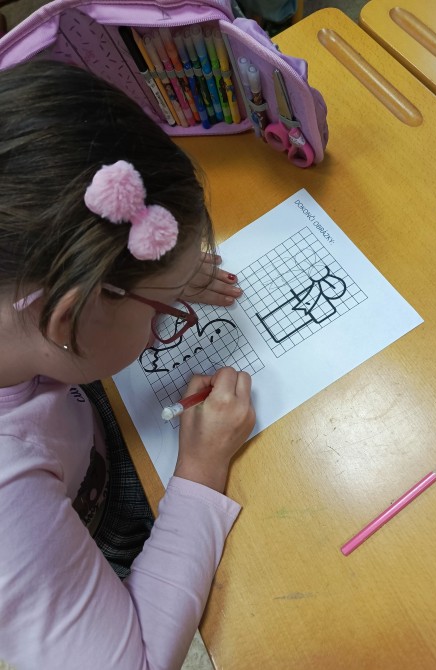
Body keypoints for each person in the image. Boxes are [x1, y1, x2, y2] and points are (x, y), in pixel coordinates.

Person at [0, 59, 255, 669]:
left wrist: (154, 278)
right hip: (85, 523)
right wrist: (200, 470)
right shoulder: (12, 507)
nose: (169, 319)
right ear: (69, 317)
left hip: (81, 439)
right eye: (164, 311)